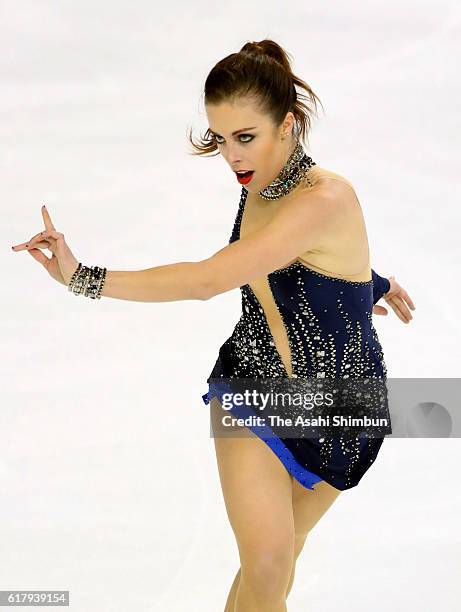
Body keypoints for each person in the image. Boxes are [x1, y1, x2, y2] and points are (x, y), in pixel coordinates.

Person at [12, 39, 415, 612]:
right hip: (253, 387)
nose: (232, 157)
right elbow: (278, 262)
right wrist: (366, 282)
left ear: (289, 124)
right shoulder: (265, 186)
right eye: (221, 140)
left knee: (275, 567)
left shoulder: (326, 197)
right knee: (269, 563)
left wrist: (82, 277)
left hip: (343, 404)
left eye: (245, 138)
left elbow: (216, 277)